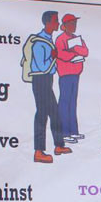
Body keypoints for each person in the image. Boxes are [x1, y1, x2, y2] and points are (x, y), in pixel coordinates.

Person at [27, 10, 71, 164]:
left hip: (47, 80)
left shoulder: (48, 39)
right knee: (42, 114)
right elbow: (42, 66)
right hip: (40, 80)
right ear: (48, 23)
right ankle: (38, 151)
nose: (58, 23)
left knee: (54, 112)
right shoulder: (40, 42)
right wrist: (53, 57)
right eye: (55, 21)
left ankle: (59, 145)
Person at [54, 13, 88, 143]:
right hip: (65, 75)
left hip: (76, 74)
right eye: (72, 23)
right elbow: (60, 53)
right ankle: (63, 132)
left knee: (72, 103)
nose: (74, 26)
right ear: (65, 25)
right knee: (64, 102)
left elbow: (85, 51)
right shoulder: (61, 39)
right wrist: (73, 54)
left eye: (75, 23)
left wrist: (75, 48)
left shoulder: (76, 38)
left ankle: (73, 131)